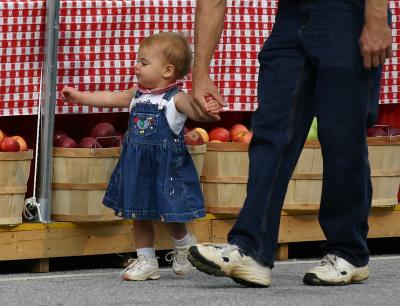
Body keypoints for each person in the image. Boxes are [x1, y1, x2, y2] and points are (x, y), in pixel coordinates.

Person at [187, 0, 393, 287]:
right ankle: (252, 250)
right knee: (270, 132)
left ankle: (349, 251)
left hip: (348, 12)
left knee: (342, 136)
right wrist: (200, 73)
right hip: (291, 16)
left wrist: (376, 18)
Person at [61, 32, 220, 281]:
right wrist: (80, 96)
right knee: (139, 213)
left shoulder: (175, 98)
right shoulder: (136, 94)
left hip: (165, 168)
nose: (136, 66)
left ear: (168, 70)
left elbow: (196, 112)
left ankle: (183, 245)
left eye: (143, 63)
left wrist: (208, 111)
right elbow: (109, 98)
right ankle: (146, 260)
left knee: (170, 213)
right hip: (137, 165)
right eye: (138, 60)